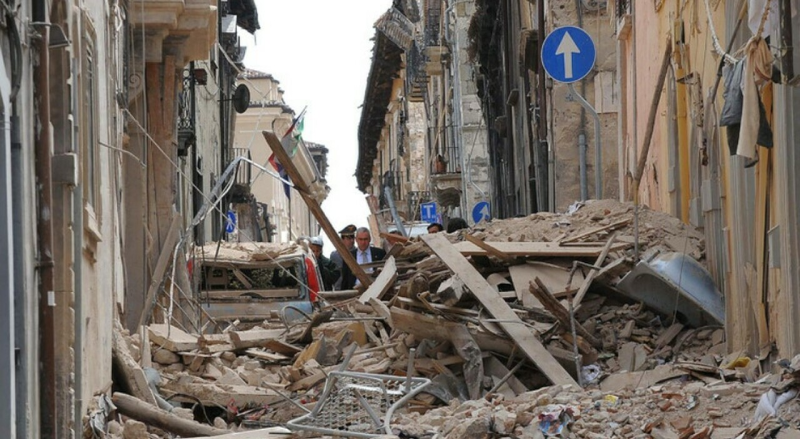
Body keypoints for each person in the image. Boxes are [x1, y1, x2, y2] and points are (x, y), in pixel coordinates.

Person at [330, 224, 356, 290]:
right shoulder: (335, 256)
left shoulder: (358, 253)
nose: (352, 241)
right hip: (339, 289)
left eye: (353, 238)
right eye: (349, 238)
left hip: (354, 288)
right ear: (342, 239)